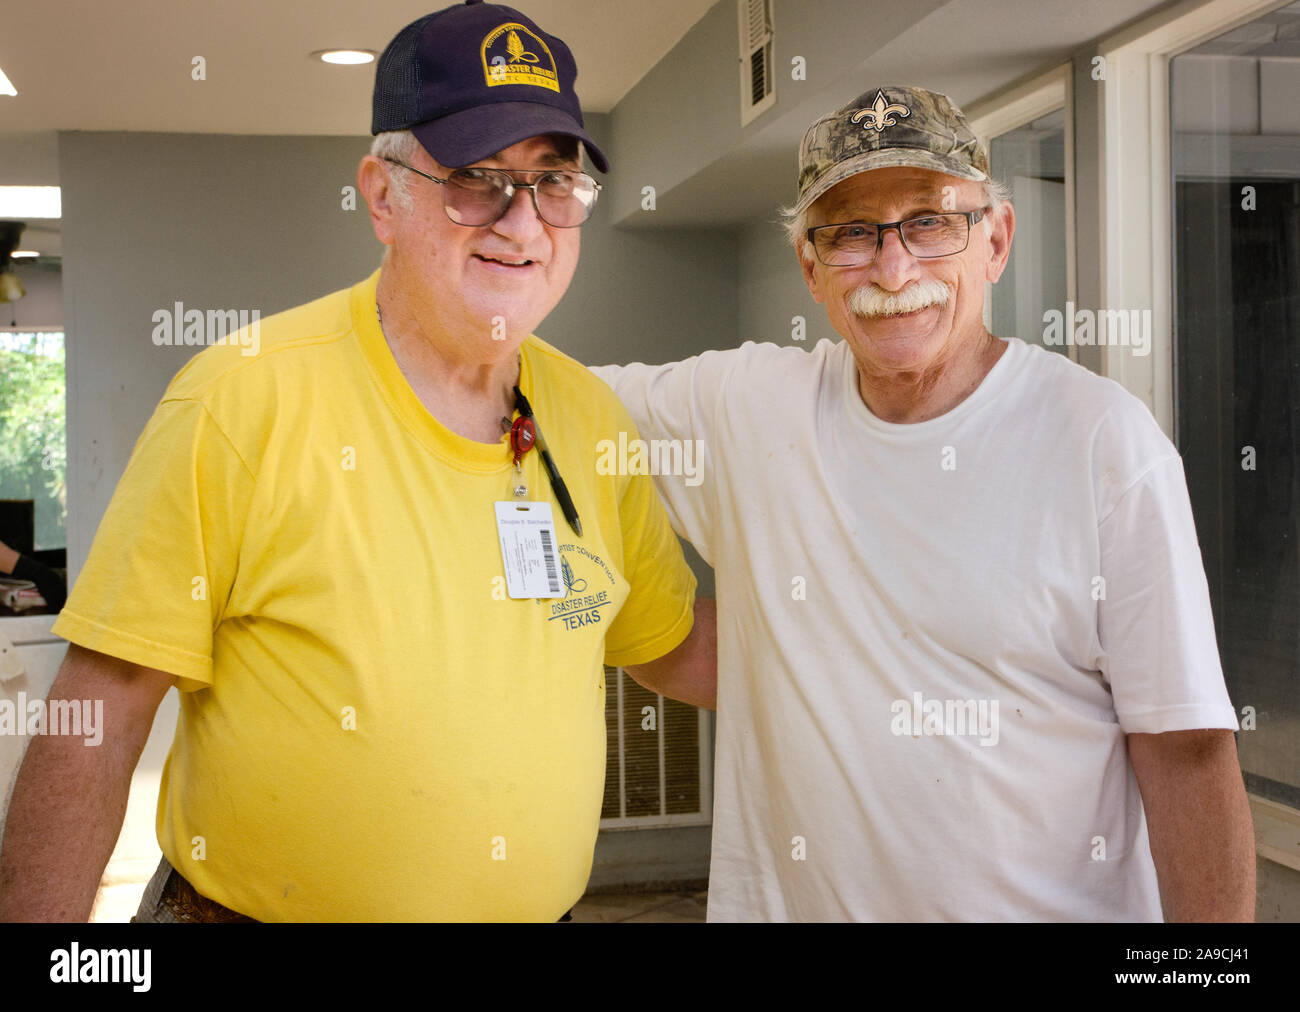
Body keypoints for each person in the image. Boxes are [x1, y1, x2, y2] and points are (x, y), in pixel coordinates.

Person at [0, 1, 713, 923]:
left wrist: (884, 650)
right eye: (476, 179)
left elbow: (670, 643)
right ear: (383, 195)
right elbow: (97, 714)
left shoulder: (586, 415)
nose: (523, 223)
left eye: (554, 181)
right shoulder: (239, 399)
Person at [593, 85, 1255, 921]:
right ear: (811, 267)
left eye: (931, 222)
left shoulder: (1102, 444)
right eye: (850, 234)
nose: (893, 268)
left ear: (996, 241)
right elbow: (535, 402)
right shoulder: (744, 407)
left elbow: (1188, 753)